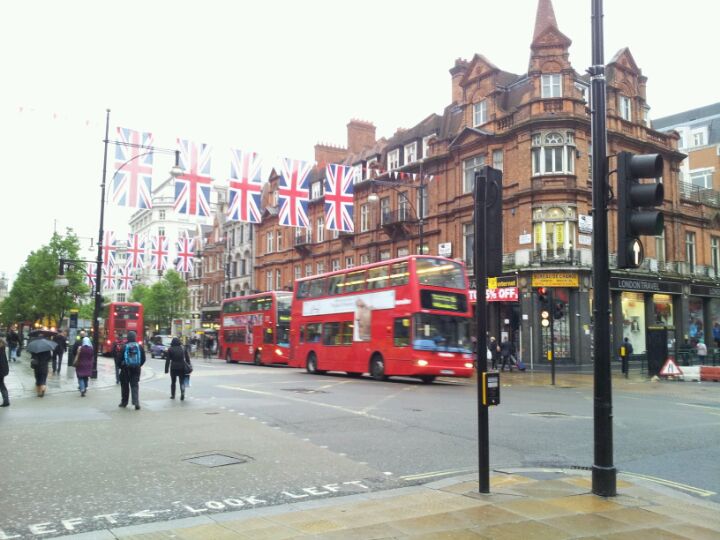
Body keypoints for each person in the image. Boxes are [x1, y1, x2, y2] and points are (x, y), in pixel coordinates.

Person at [119, 330, 146, 410]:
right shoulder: (139, 346)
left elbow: (119, 359)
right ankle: (136, 402)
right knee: (134, 385)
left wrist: (121, 366)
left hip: (125, 369)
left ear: (128, 337)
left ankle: (124, 402)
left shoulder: (124, 346)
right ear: (135, 337)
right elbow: (143, 358)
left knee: (125, 386)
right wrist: (138, 365)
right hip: (136, 369)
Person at [0, 338, 10, 406]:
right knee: (2, 385)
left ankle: (6, 401)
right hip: (3, 370)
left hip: (1, 370)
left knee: (2, 385)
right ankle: (6, 401)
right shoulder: (2, 349)